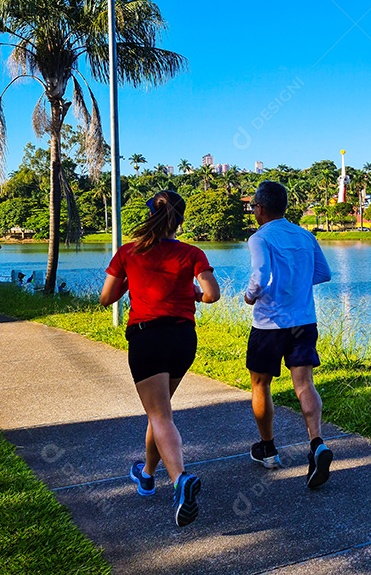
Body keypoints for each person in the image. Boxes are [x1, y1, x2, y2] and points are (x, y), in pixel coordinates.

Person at [99, 190, 220, 527]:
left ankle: (180, 479)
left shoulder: (128, 252)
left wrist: (129, 282)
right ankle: (148, 475)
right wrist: (192, 292)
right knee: (160, 411)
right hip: (183, 339)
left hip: (148, 337)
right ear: (179, 219)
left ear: (149, 214)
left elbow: (106, 297)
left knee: (160, 415)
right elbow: (212, 294)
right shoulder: (191, 252)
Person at [244, 180, 333, 488]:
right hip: (304, 322)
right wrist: (296, 286)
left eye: (254, 207)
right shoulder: (305, 235)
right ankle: (317, 443)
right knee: (304, 383)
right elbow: (323, 274)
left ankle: (268, 449)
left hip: (269, 324)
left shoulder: (260, 238)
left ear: (260, 208)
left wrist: (250, 295)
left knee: (261, 383)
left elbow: (262, 273)